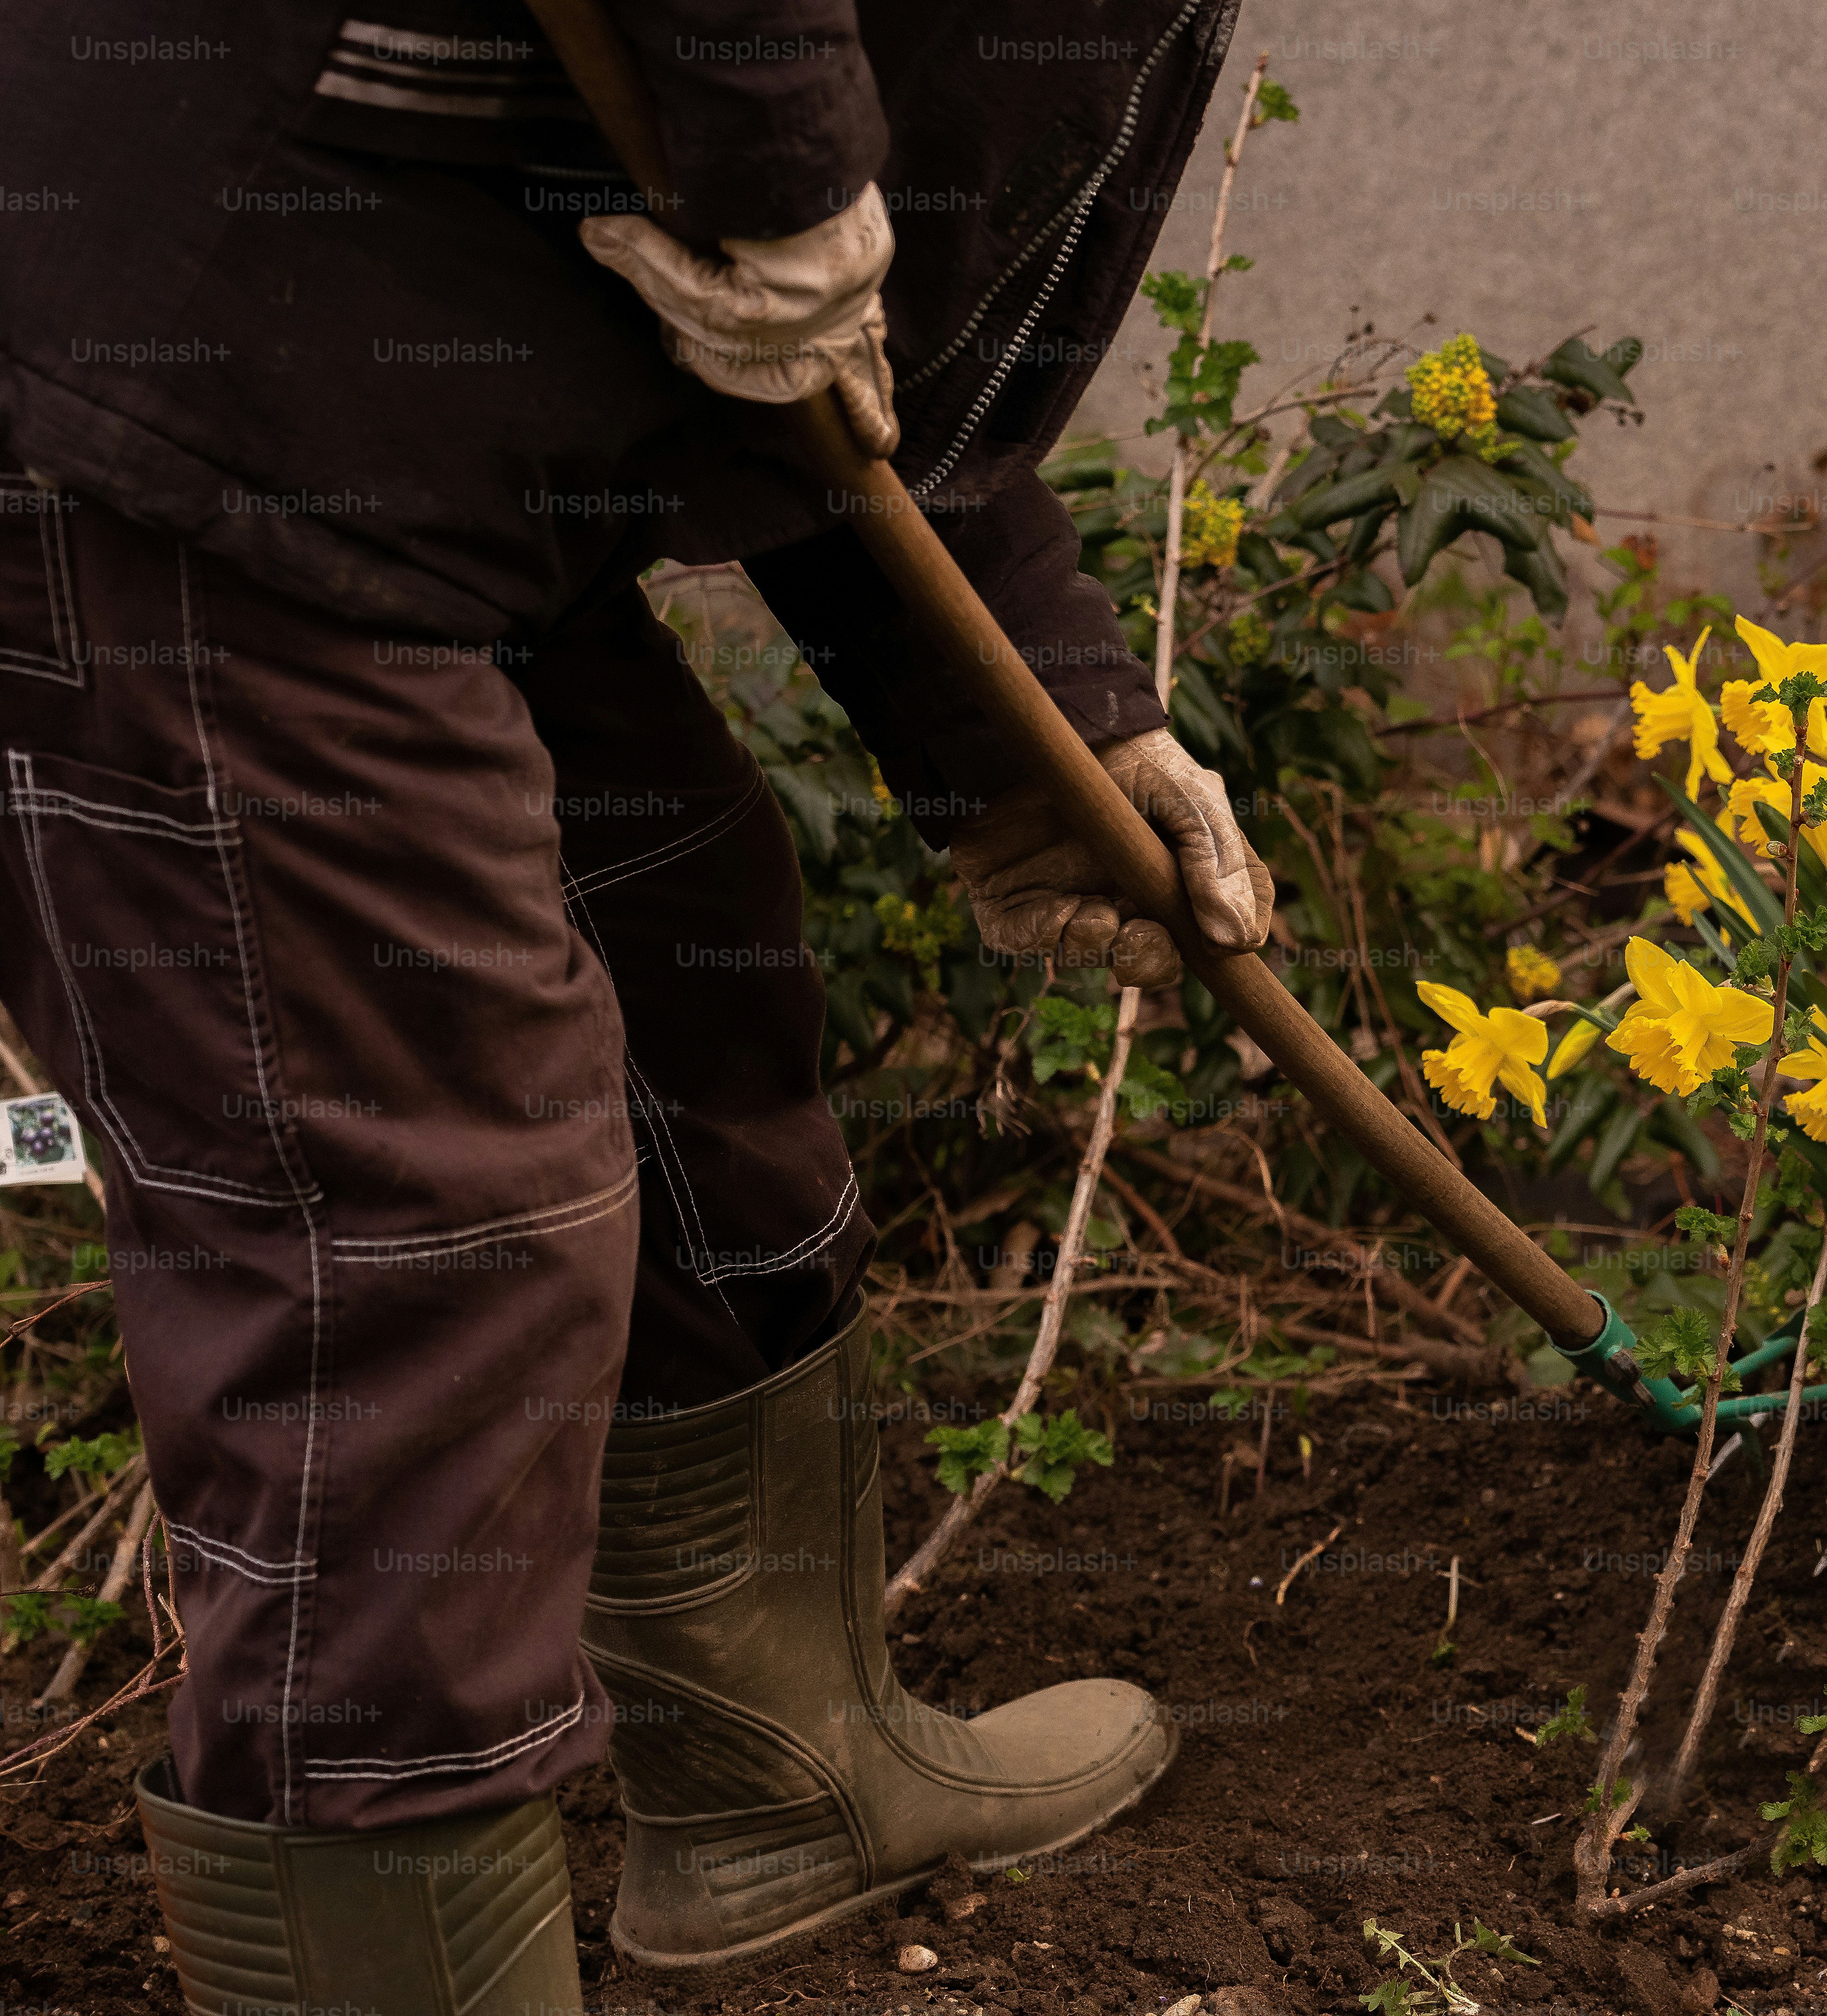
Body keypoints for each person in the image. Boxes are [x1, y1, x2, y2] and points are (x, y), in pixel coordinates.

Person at [0, 0, 1270, 2002]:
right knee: (418, 1243)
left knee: (694, 993)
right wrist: (774, 161)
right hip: (175, 401)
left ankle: (782, 1791)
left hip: (430, 420)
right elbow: (783, 186)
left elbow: (825, 320)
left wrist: (1027, 718)